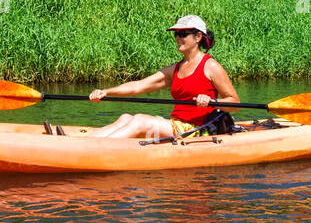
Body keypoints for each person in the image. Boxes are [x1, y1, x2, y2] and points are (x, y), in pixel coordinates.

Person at [85, 15, 240, 139]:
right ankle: (85, 143)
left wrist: (212, 102)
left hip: (197, 130)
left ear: (198, 36)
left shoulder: (211, 66)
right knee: (125, 117)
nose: (178, 38)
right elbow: (139, 86)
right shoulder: (175, 69)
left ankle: (93, 149)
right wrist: (106, 92)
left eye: (183, 34)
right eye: (176, 34)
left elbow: (234, 102)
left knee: (140, 120)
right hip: (176, 124)